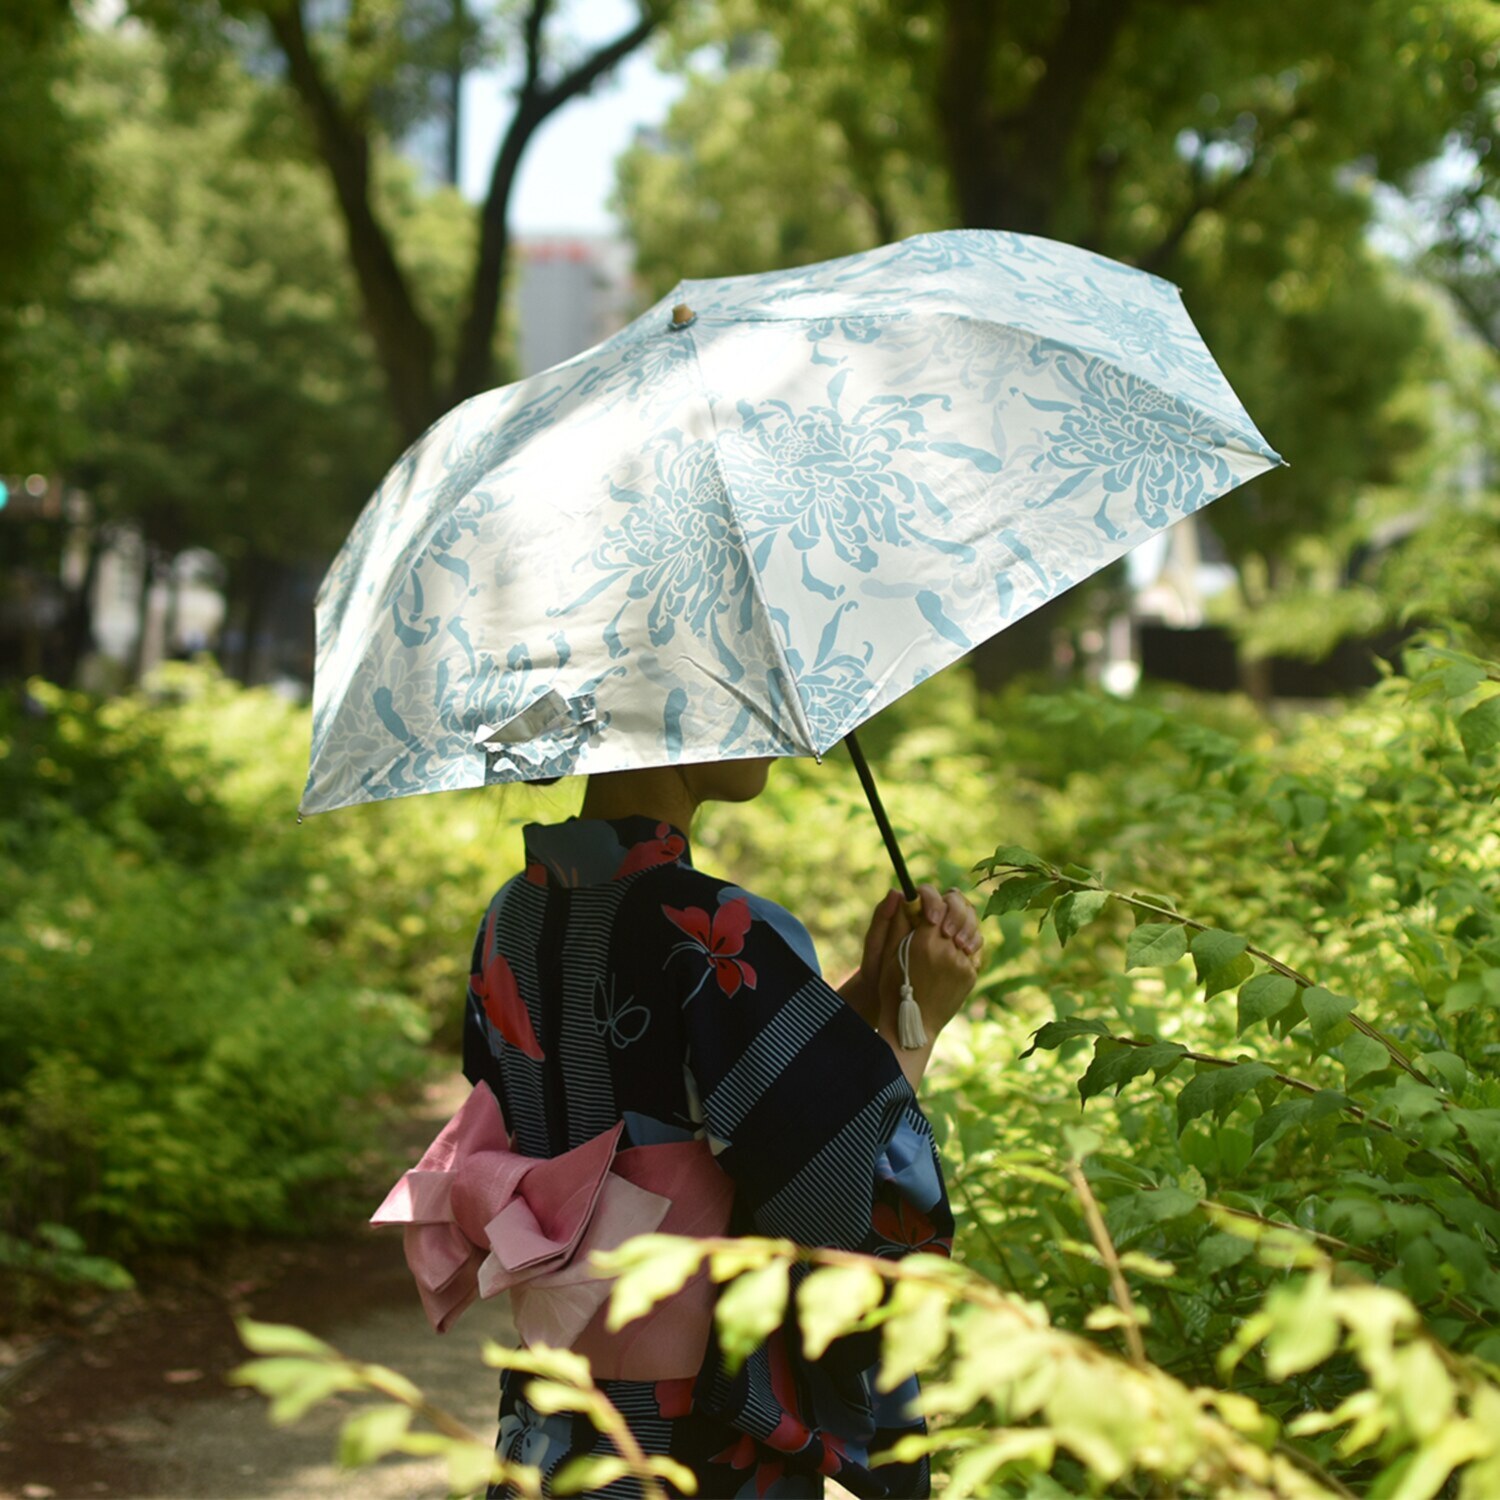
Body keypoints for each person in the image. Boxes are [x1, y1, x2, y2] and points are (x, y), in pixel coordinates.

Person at [408, 756, 981, 1498]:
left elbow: (680, 1089)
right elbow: (834, 1196)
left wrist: (870, 994)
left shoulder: (511, 914)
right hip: (693, 1429)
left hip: (550, 1414)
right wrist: (916, 1024)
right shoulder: (716, 925)